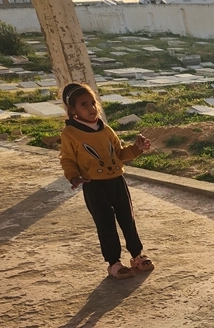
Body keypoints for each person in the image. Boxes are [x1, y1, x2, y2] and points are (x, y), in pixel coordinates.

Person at [59, 82, 154, 280]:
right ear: (73, 110)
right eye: (84, 105)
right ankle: (114, 263)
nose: (91, 108)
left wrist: (137, 148)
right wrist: (73, 176)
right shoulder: (70, 133)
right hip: (93, 185)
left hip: (117, 181)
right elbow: (67, 159)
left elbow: (120, 154)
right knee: (105, 224)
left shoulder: (106, 129)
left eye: (93, 103)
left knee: (128, 220)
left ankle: (137, 256)